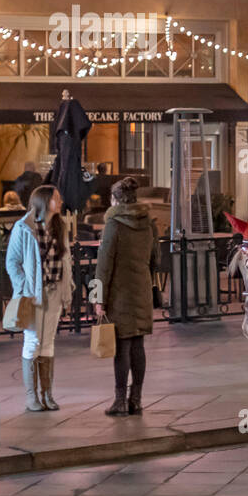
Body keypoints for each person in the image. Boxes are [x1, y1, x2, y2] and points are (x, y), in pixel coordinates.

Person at [95, 177, 161, 416]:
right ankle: (137, 399)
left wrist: (97, 298)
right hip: (141, 289)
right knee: (138, 345)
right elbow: (156, 259)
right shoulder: (149, 224)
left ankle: (120, 401)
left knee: (122, 346)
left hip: (118, 293)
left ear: (115, 200)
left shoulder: (114, 224)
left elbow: (103, 266)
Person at [5, 184, 73, 412]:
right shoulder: (23, 228)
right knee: (32, 341)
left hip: (54, 290)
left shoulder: (60, 226)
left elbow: (66, 259)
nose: (61, 201)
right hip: (33, 294)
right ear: (45, 202)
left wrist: (67, 289)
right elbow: (12, 261)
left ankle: (47, 394)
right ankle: (31, 396)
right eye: (56, 198)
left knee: (48, 342)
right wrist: (24, 286)